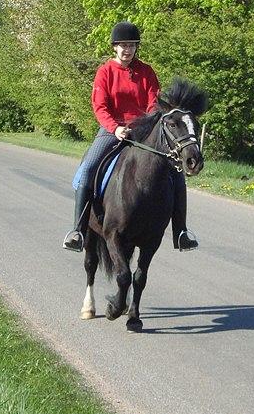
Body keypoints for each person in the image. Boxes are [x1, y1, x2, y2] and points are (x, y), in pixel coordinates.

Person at [62, 21, 199, 252]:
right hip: (110, 130)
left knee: (176, 174)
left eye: (132, 45)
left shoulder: (146, 71)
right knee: (87, 169)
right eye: (123, 45)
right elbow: (99, 106)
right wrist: (115, 128)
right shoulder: (105, 72)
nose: (127, 49)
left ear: (137, 48)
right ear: (114, 47)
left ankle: (181, 232)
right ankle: (77, 230)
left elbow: (153, 104)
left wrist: (142, 126)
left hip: (142, 132)